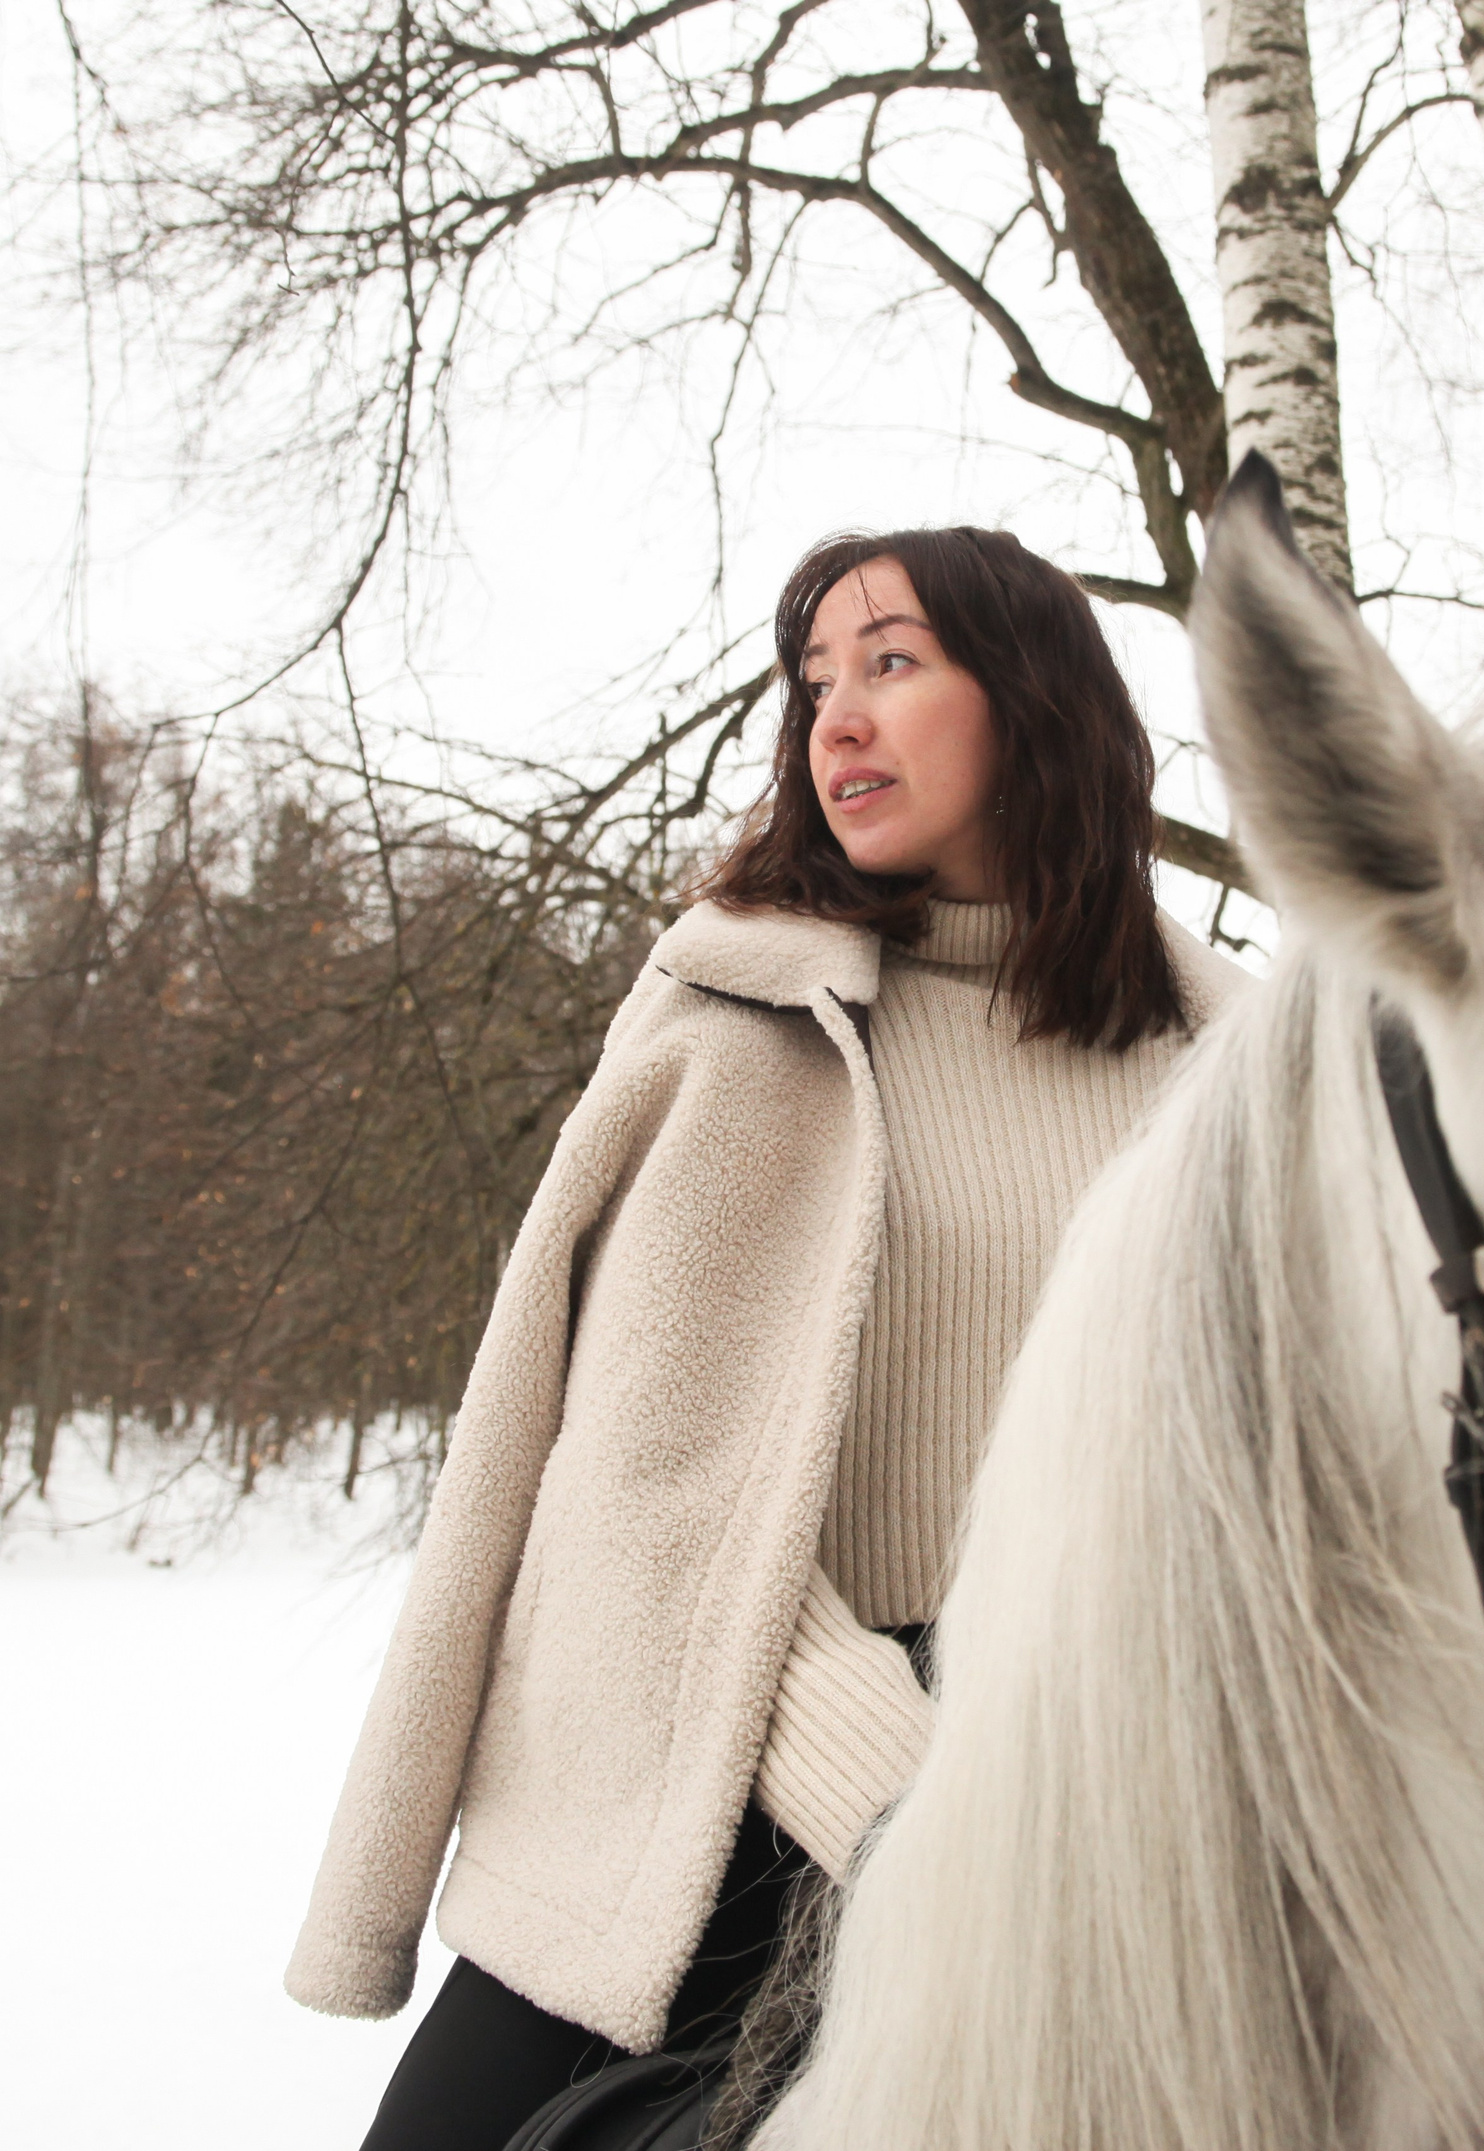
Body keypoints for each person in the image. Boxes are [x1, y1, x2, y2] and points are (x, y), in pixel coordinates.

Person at [286, 527, 1242, 2151]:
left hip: (1120, 1813)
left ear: (1036, 700)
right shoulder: (748, 1018)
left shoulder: (1236, 1059)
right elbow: (648, 1486)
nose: (838, 721)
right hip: (719, 1787)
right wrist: (910, 1804)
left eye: (892, 664)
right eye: (815, 686)